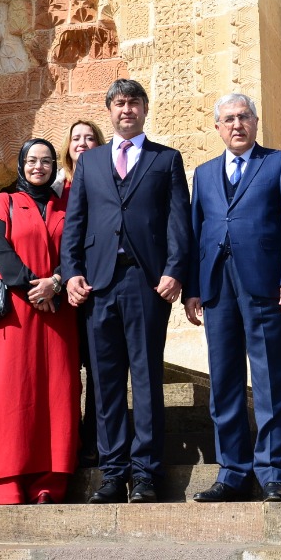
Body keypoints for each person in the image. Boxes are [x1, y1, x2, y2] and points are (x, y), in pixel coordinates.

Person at [61, 79, 192, 503]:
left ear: (144, 109)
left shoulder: (166, 159)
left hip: (145, 281)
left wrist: (175, 270)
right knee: (107, 380)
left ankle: (148, 473)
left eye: (134, 103)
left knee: (148, 377)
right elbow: (75, 224)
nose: (127, 110)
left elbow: (179, 222)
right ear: (110, 111)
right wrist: (71, 273)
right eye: (119, 103)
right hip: (99, 282)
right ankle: (113, 472)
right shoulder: (91, 162)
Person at [184, 93, 281, 503]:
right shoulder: (202, 173)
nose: (237, 125)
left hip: (265, 286)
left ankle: (273, 471)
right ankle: (232, 471)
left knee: (271, 378)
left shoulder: (279, 163)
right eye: (229, 119)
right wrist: (193, 289)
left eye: (244, 117)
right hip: (217, 288)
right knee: (224, 383)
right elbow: (196, 233)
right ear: (217, 127)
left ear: (255, 122)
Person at [0, 138, 80, 504]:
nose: (39, 167)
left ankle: (51, 481)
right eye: (32, 160)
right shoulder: (3, 202)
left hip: (58, 310)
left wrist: (56, 283)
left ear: (54, 165)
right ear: (21, 164)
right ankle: (8, 481)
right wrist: (34, 287)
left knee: (57, 392)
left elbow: (77, 248)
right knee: (11, 392)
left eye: (46, 161)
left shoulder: (65, 205)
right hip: (15, 312)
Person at [62, 118, 105, 463]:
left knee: (95, 366)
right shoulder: (54, 187)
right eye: (76, 138)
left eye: (90, 138)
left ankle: (92, 439)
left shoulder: (106, 183)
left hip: (94, 285)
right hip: (60, 290)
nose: (83, 143)